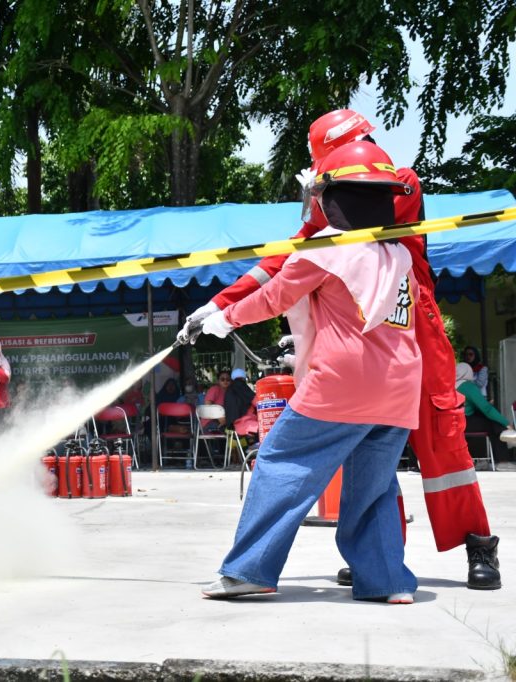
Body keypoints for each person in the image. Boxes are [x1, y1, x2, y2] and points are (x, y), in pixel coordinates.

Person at [178, 108, 500, 591]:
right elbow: (291, 256)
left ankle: (477, 543)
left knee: (442, 442)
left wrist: (226, 314)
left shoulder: (388, 186)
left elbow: (295, 272)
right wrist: (218, 302)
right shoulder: (363, 203)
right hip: (396, 349)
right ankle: (383, 573)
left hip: (405, 334)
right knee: (375, 471)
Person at [198, 140, 421, 603]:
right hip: (400, 387)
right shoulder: (399, 255)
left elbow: (273, 297)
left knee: (281, 463)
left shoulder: (326, 249)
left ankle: (251, 569)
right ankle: (388, 582)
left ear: (331, 196)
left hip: (342, 385)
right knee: (375, 486)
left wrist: (224, 319)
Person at [457, 362, 515, 467]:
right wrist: (506, 423)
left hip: (452, 422)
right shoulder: (468, 386)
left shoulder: (450, 386)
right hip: (464, 422)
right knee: (493, 423)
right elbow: (486, 409)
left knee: (488, 420)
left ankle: (505, 434)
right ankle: (503, 460)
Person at [223, 368, 258, 440]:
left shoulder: (229, 390)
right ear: (243, 378)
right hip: (245, 424)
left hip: (233, 426)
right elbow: (257, 402)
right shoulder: (241, 386)